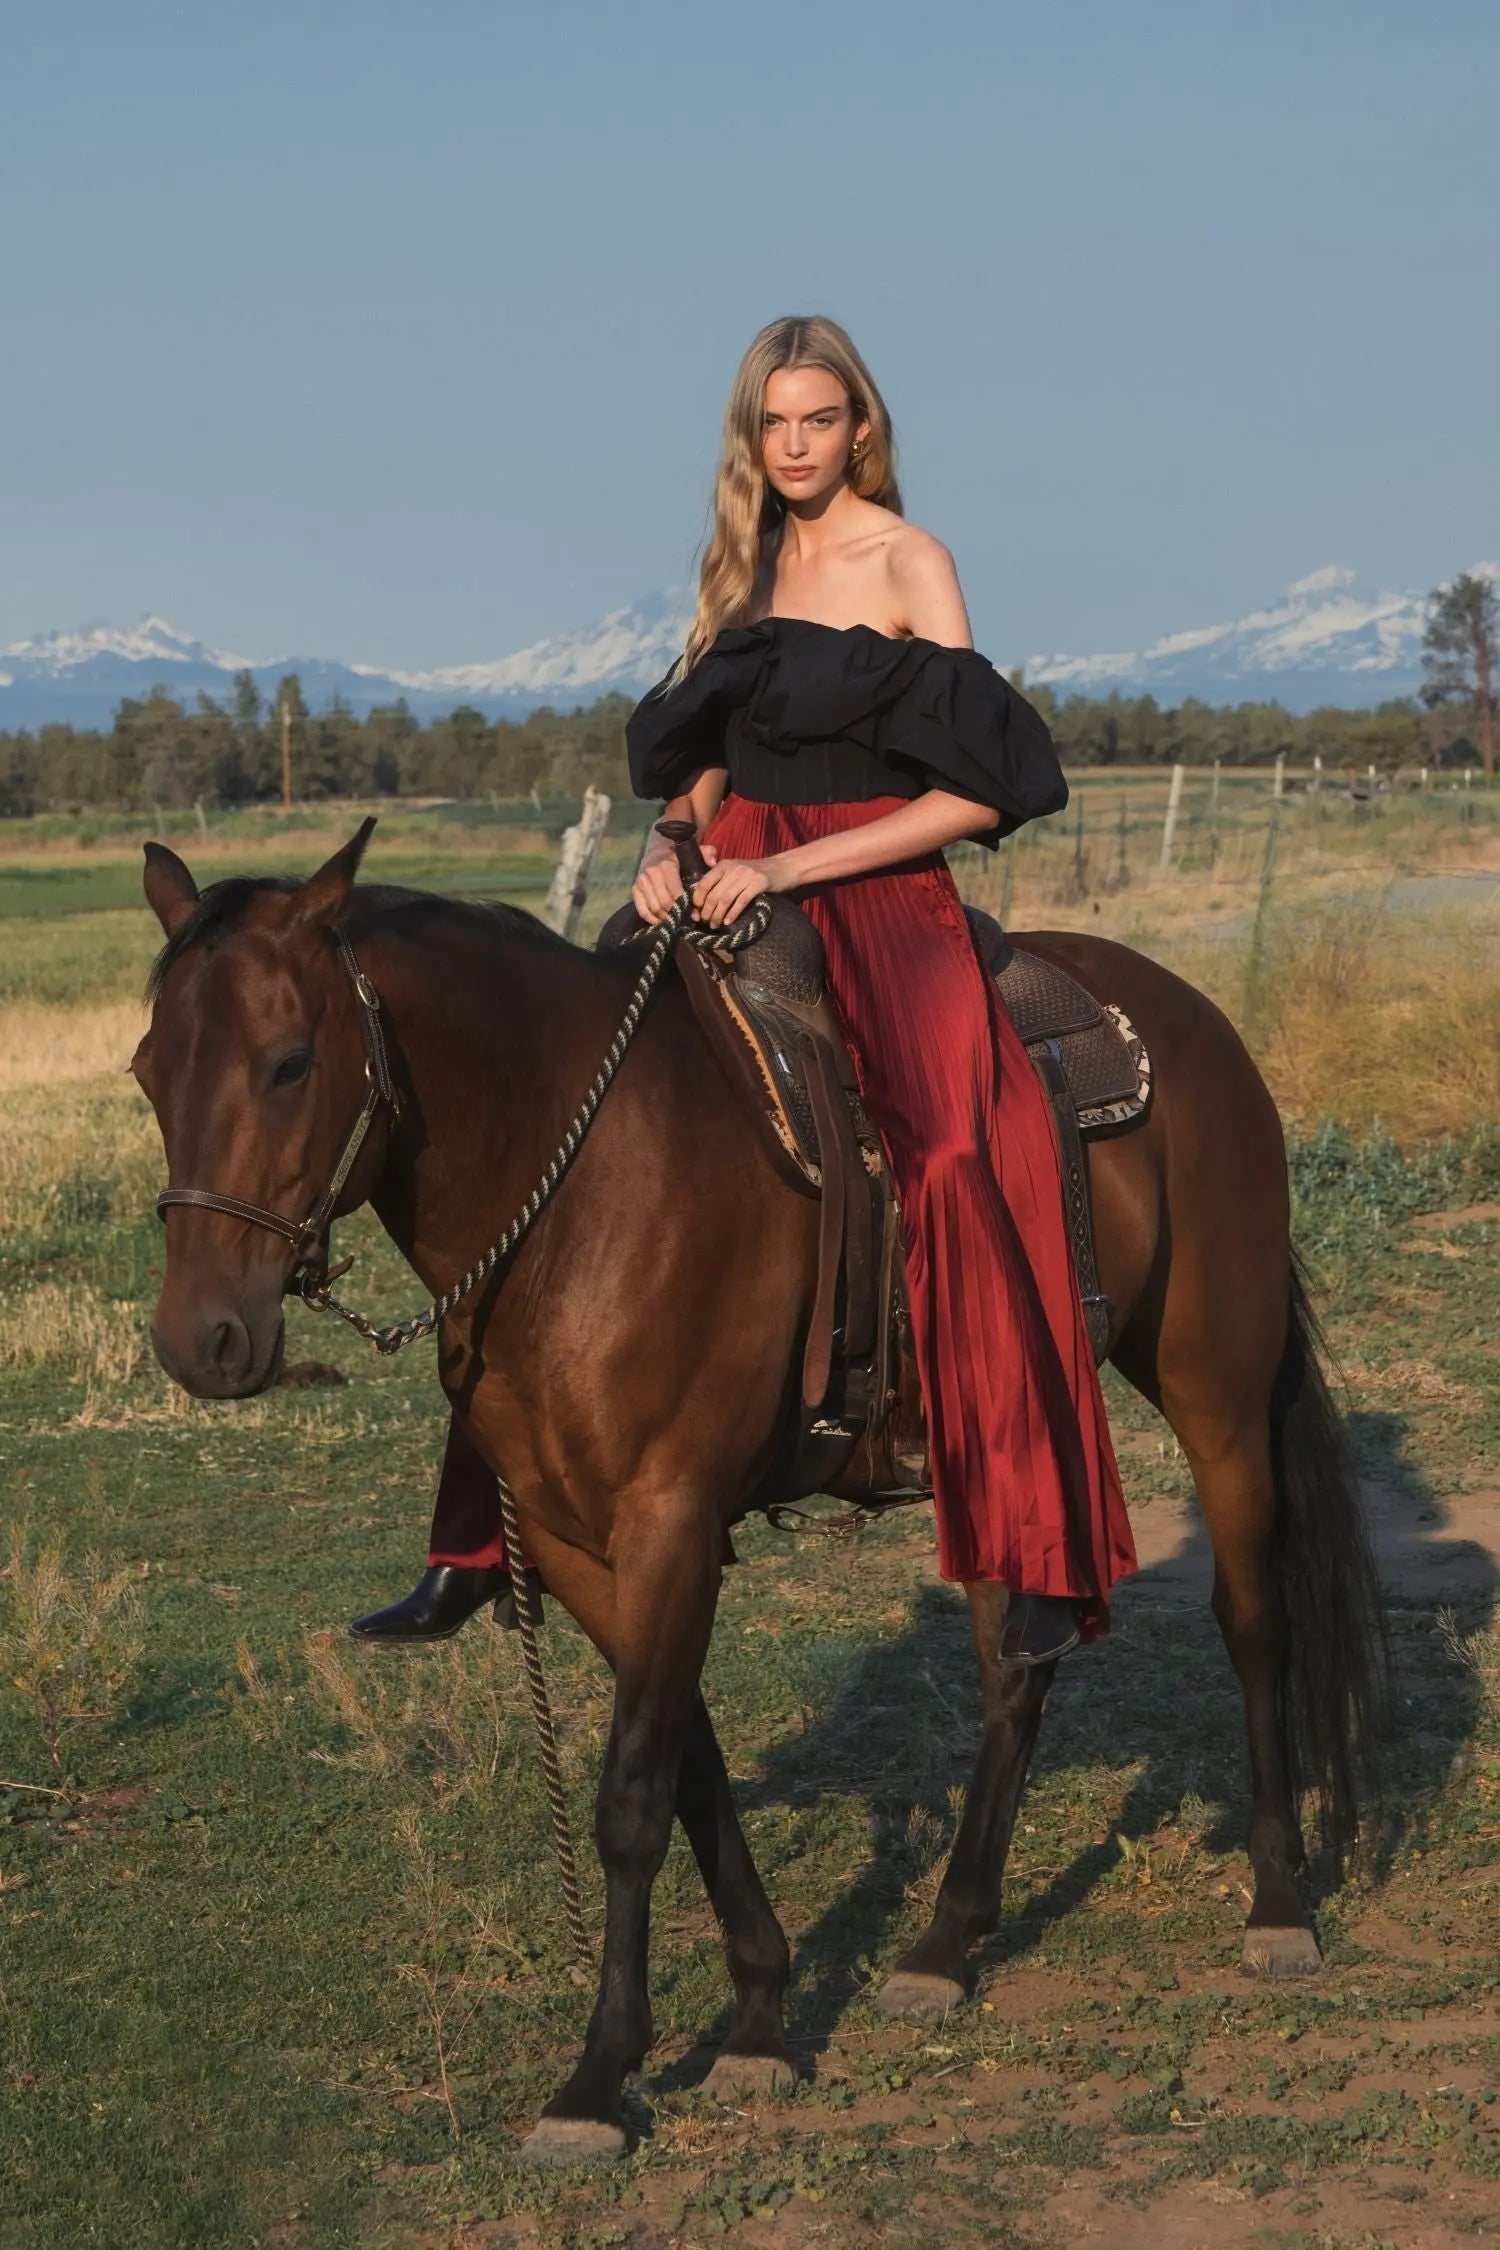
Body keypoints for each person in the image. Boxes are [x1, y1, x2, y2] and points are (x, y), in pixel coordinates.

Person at [351, 314, 1136, 1662]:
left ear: (862, 428)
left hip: (882, 894)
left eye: (818, 421)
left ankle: (1027, 1533)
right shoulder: (748, 564)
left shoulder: (911, 563)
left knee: (954, 1146)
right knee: (573, 1114)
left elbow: (969, 791)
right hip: (732, 871)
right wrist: (673, 839)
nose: (794, 446)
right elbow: (710, 759)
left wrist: (803, 863)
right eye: (773, 424)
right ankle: (478, 1533)